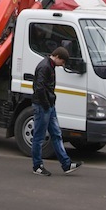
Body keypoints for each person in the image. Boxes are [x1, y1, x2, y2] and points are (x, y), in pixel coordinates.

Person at [31, 46, 82, 176]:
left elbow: (40, 87)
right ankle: (37, 165)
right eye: (63, 62)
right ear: (58, 57)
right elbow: (40, 88)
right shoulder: (46, 67)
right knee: (41, 137)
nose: (62, 65)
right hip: (44, 106)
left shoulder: (48, 65)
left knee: (55, 134)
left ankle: (66, 164)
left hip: (47, 105)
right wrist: (47, 105)